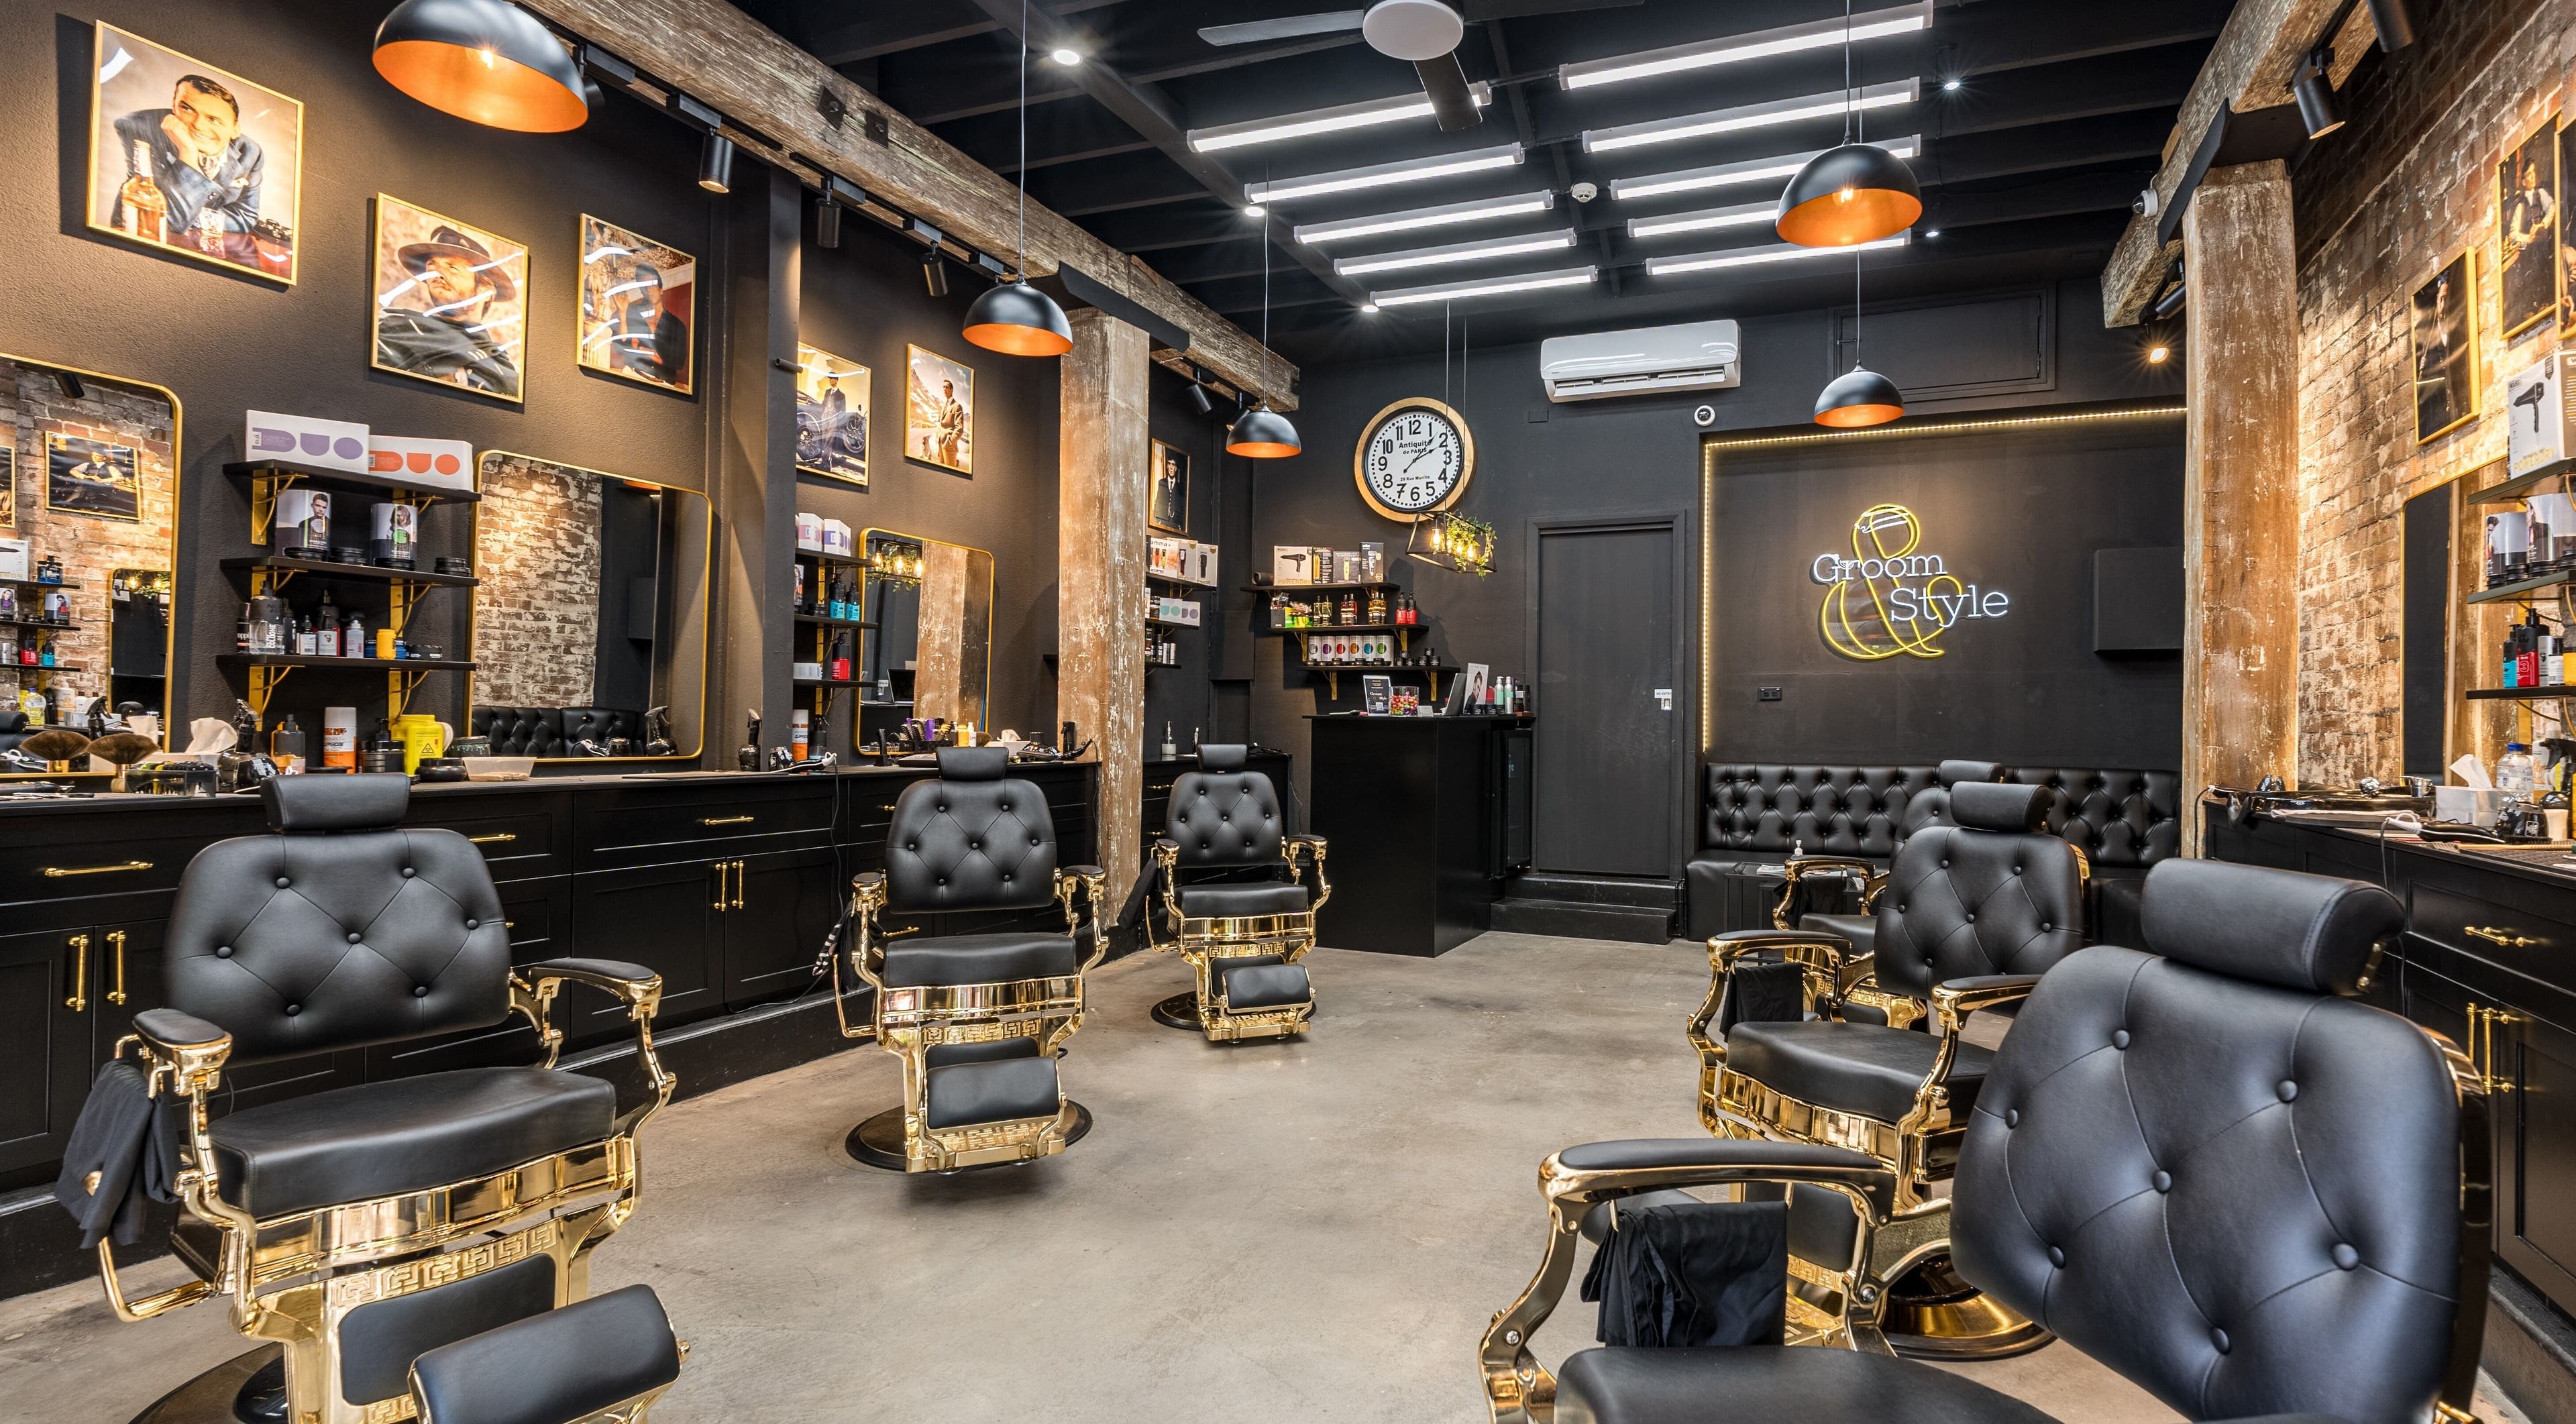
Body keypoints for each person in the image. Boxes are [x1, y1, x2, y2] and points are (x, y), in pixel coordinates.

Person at [111, 74, 266, 268]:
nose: (198, 125)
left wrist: (193, 217)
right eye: (187, 109)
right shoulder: (139, 127)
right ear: (174, 106)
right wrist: (188, 153)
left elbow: (245, 217)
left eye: (213, 119)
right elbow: (166, 224)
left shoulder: (250, 152)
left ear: (235, 130)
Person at [376, 223, 521, 397]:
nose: (435, 274)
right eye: (431, 265)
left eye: (452, 267)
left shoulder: (503, 369)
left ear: (485, 291)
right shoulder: (394, 327)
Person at [608, 262, 689, 388]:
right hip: (635, 378)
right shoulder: (631, 314)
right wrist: (623, 313)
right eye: (644, 286)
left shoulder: (676, 325)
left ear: (661, 289)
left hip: (664, 385)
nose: (649, 290)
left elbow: (679, 363)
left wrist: (651, 354)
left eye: (652, 285)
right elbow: (619, 346)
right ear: (641, 290)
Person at [936, 378, 967, 468]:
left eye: (947, 387)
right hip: (941, 444)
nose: (944, 389)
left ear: (952, 390)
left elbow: (959, 428)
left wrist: (950, 442)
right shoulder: (943, 405)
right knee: (941, 473)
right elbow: (942, 424)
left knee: (950, 473)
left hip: (949, 447)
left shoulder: (957, 406)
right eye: (943, 387)